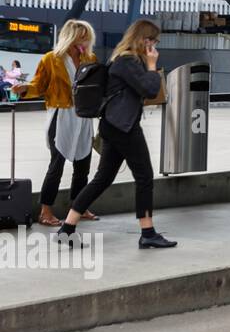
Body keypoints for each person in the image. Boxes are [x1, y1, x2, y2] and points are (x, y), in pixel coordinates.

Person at [61, 18, 176, 248]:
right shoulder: (127, 61)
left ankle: (67, 228)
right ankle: (148, 232)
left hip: (114, 125)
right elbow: (151, 89)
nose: (154, 45)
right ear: (141, 38)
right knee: (144, 177)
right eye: (151, 39)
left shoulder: (124, 59)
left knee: (103, 178)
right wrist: (153, 65)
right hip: (123, 127)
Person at [13, 20, 100, 227]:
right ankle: (45, 211)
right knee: (56, 165)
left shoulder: (90, 58)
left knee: (83, 166)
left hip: (84, 117)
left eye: (87, 36)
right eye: (82, 36)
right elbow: (39, 85)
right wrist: (24, 88)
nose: (86, 40)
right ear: (71, 37)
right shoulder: (51, 59)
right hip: (61, 116)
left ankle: (78, 208)